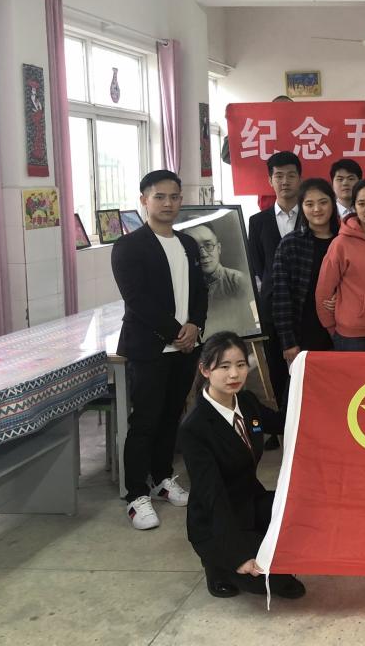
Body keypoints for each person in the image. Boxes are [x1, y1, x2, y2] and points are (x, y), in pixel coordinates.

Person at [111, 170, 207, 529]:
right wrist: (176, 332)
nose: (168, 203)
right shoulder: (129, 246)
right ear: (144, 201)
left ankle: (163, 479)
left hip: (184, 348)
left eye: (174, 197)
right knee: (145, 421)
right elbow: (137, 299)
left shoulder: (188, 244)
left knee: (171, 417)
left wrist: (195, 325)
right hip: (150, 348)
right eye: (160, 197)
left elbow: (201, 291)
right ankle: (136, 495)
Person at [178, 332, 305, 600]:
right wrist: (238, 555)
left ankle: (258, 547)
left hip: (251, 502)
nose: (234, 374)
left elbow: (284, 421)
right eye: (224, 367)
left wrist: (301, 376)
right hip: (217, 519)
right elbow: (213, 497)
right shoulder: (195, 428)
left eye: (240, 364)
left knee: (304, 523)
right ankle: (217, 566)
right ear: (205, 370)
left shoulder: (247, 402)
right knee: (274, 579)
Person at [247, 151, 301, 449]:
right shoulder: (258, 221)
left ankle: (305, 423)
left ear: (299, 178)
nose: (285, 181)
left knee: (305, 365)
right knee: (276, 367)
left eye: (291, 175)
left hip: (305, 306)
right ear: (270, 180)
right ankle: (279, 427)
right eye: (278, 176)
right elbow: (256, 266)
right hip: (271, 306)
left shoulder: (312, 213)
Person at [314, 179, 365, 351]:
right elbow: (324, 291)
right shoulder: (340, 244)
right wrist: (332, 328)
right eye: (362, 204)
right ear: (354, 206)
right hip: (351, 336)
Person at [271, 178, 340, 362]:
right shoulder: (290, 244)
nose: (317, 209)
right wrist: (288, 342)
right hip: (303, 335)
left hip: (343, 334)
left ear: (333, 204)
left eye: (323, 202)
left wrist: (343, 297)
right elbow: (281, 297)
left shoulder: (344, 240)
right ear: (301, 207)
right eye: (309, 204)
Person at [185, 223, 255, 337]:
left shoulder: (239, 281)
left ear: (219, 248)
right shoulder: (183, 289)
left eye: (208, 245)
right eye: (194, 248)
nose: (203, 254)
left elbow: (252, 325)